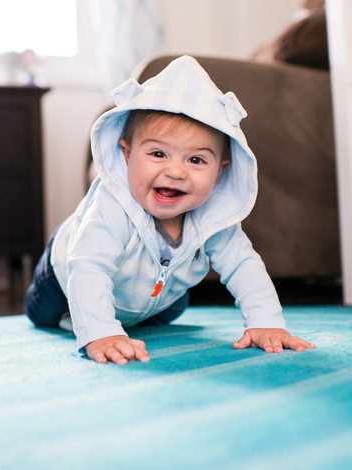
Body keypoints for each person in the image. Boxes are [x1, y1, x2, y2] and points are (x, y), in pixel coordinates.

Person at [25, 55, 315, 364]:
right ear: (126, 154)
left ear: (220, 172)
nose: (176, 172)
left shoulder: (215, 218)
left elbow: (244, 265)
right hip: (66, 273)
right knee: (42, 313)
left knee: (175, 307)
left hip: (152, 293)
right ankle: (80, 313)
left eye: (196, 160)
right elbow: (89, 267)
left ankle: (126, 314)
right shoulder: (112, 205)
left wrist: (266, 323)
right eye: (158, 153)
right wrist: (101, 332)